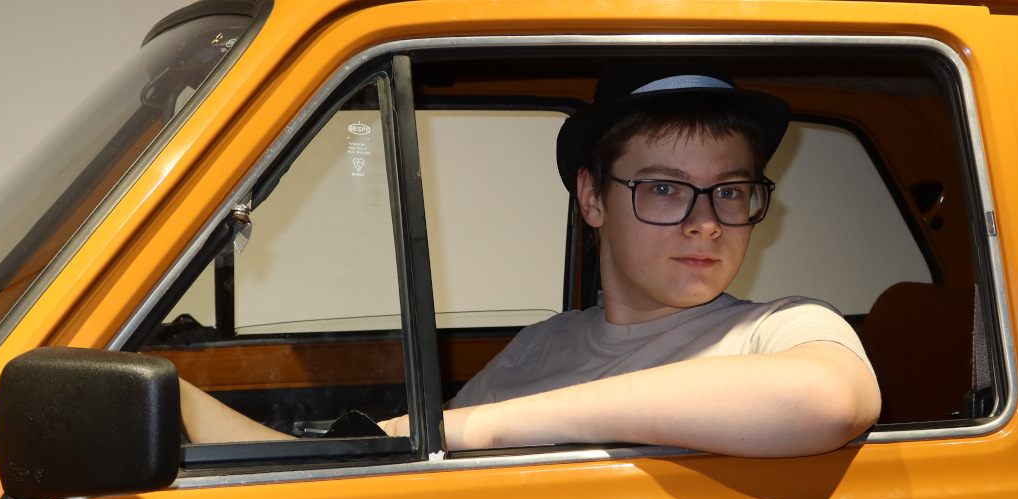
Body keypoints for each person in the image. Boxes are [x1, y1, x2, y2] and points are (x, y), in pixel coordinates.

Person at [181, 59, 881, 457]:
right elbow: (422, 456)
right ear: (593, 198)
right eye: (665, 189)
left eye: (729, 191)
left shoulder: (779, 328)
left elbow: (824, 402)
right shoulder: (542, 346)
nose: (705, 223)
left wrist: (487, 425)